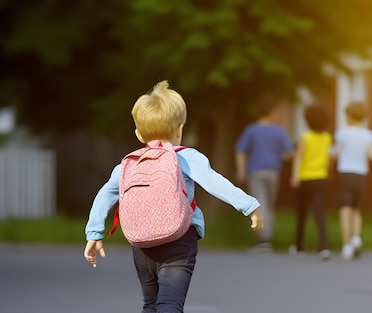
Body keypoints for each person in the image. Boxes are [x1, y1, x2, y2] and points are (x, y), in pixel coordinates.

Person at [83, 80, 263, 313]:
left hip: (141, 242)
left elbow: (105, 194)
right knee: (170, 306)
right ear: (180, 129)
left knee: (151, 304)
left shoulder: (128, 165)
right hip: (179, 239)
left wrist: (94, 233)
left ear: (138, 134)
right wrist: (249, 206)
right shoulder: (187, 157)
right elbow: (214, 182)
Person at [235, 97, 293, 252]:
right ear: (272, 112)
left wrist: (241, 170)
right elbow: (288, 154)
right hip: (273, 171)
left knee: (261, 204)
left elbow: (240, 150)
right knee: (270, 205)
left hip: (256, 171)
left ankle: (264, 240)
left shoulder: (251, 130)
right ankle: (267, 237)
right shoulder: (279, 131)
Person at [332, 101, 372, 260]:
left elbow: (336, 153)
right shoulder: (369, 135)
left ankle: (346, 246)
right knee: (356, 210)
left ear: (349, 117)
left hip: (345, 173)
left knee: (345, 210)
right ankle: (356, 237)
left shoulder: (342, 133)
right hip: (361, 174)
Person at [289, 104, 332, 260]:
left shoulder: (305, 138)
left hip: (305, 178)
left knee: (302, 212)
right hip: (321, 177)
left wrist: (294, 176)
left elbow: (298, 157)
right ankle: (323, 247)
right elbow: (327, 158)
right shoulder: (327, 138)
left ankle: (299, 246)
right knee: (319, 213)